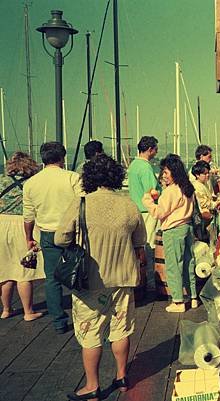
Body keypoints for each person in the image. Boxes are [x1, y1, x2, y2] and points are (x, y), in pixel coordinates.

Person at [55, 154, 146, 401]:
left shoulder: (80, 203)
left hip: (90, 281)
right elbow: (140, 241)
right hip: (124, 277)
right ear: (115, 176)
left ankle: (92, 386)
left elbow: (60, 239)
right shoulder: (128, 204)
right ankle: (122, 376)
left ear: (90, 177)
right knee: (121, 330)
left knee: (91, 333)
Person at [23, 142, 85, 333]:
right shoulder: (72, 178)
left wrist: (29, 238)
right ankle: (84, 318)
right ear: (62, 157)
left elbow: (28, 216)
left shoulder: (31, 183)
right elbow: (82, 204)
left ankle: (59, 322)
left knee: (52, 279)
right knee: (78, 273)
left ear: (43, 158)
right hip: (72, 232)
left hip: (47, 234)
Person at [142, 154, 197, 313]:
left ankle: (178, 301)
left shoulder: (171, 191)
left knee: (173, 266)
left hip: (173, 230)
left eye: (166, 172)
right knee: (188, 263)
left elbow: (159, 213)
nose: (163, 176)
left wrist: (148, 201)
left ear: (174, 172)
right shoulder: (187, 187)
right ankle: (192, 297)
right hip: (187, 227)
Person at [0, 152, 45, 320]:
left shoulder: (1, 180)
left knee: (4, 271)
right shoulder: (31, 183)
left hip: (1, 224)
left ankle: (6, 309)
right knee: (23, 271)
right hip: (22, 225)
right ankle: (28, 312)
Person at [127, 136, 161, 276]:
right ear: (149, 149)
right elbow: (152, 192)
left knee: (138, 245)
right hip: (148, 210)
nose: (156, 152)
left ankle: (140, 277)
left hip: (136, 208)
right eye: (155, 150)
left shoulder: (133, 165)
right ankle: (150, 279)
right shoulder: (146, 167)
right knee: (149, 245)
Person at [191, 160, 220, 245]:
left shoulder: (203, 184)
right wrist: (218, 202)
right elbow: (204, 204)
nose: (207, 175)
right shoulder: (197, 187)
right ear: (197, 175)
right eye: (204, 174)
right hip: (203, 219)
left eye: (208, 173)